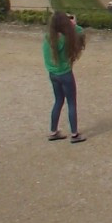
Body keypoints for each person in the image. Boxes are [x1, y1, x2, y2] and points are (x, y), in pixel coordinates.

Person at [44, 11, 87, 142]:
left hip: (53, 74)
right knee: (71, 103)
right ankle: (74, 134)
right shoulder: (68, 38)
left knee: (58, 101)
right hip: (65, 74)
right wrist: (73, 25)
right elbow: (81, 32)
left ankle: (53, 131)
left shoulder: (48, 38)